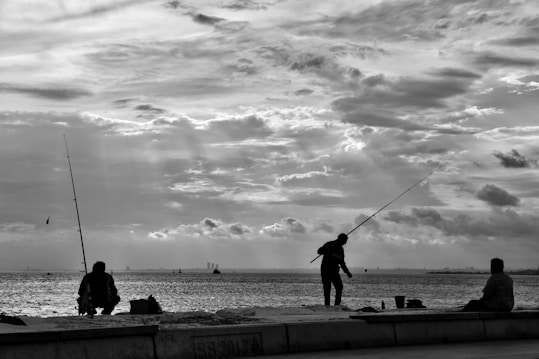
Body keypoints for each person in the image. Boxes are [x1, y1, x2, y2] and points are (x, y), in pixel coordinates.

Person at [317, 233, 353, 306]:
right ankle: (327, 305)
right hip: (326, 270)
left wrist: (347, 272)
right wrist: (326, 250)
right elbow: (319, 251)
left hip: (333, 270)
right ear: (341, 239)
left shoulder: (339, 248)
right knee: (328, 288)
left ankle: (336, 305)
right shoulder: (329, 244)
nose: (346, 242)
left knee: (339, 287)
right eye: (345, 240)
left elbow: (341, 262)